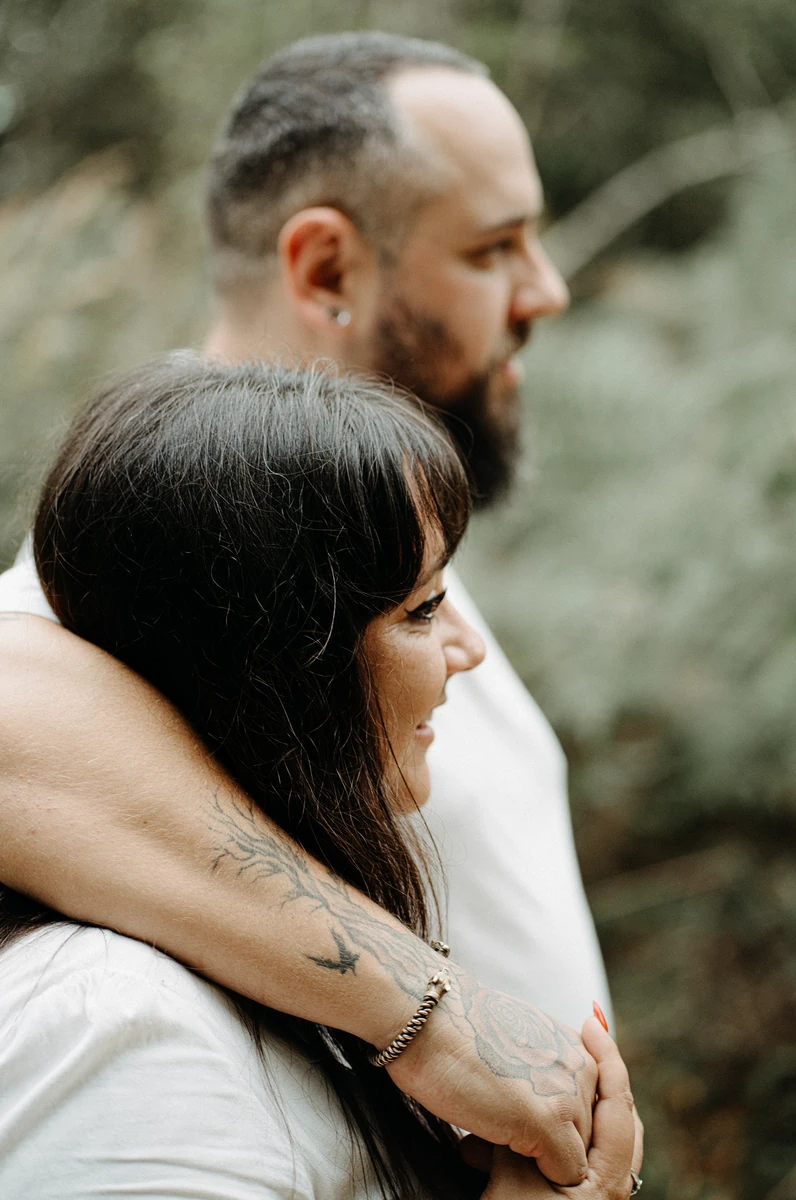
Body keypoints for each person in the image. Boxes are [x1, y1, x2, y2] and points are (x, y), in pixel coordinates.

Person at [0, 32, 624, 1185]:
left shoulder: (381, 552)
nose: (547, 288)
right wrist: (434, 1022)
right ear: (327, 270)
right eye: (494, 247)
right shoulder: (148, 579)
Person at [0, 356, 642, 1200]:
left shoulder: (291, 980)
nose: (468, 652)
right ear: (272, 666)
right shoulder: (122, 1026)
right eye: (420, 608)